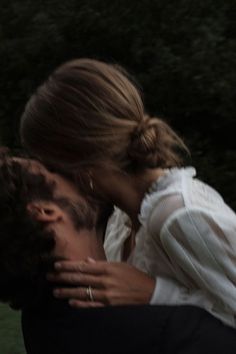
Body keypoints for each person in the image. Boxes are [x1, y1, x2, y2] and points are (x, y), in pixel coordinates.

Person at [20, 58, 236, 328]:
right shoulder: (121, 222)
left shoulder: (182, 215)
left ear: (80, 165)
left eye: (51, 169)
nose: (51, 186)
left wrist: (156, 293)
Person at [2, 152, 236, 354]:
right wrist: (162, 293)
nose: (74, 173)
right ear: (45, 211)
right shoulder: (172, 333)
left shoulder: (38, 324)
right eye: (54, 172)